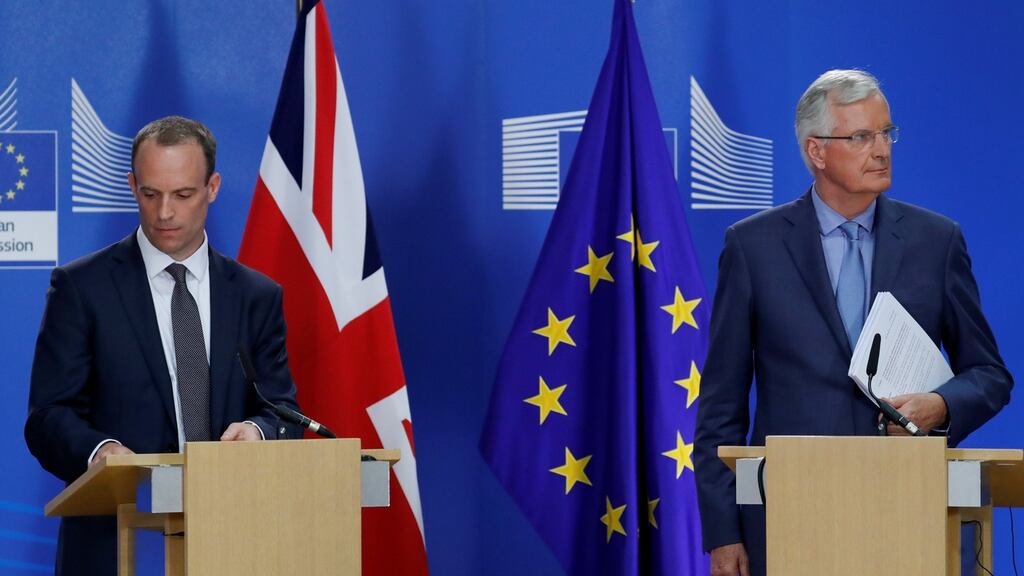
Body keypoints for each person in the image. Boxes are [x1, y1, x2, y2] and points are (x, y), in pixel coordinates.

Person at [694, 70, 1013, 576]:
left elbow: (990, 375)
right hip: (790, 517)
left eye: (886, 133)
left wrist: (941, 407)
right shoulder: (752, 247)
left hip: (912, 512)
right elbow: (720, 404)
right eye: (861, 136)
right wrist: (722, 531)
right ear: (816, 151)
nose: (882, 149)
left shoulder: (937, 241)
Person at [25, 116, 302, 575]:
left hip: (234, 541)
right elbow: (48, 417)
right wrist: (102, 453)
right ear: (133, 185)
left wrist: (257, 432)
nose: (164, 213)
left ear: (212, 187)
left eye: (183, 194)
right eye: (150, 194)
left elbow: (282, 412)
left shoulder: (256, 297)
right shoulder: (81, 288)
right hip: (115, 545)